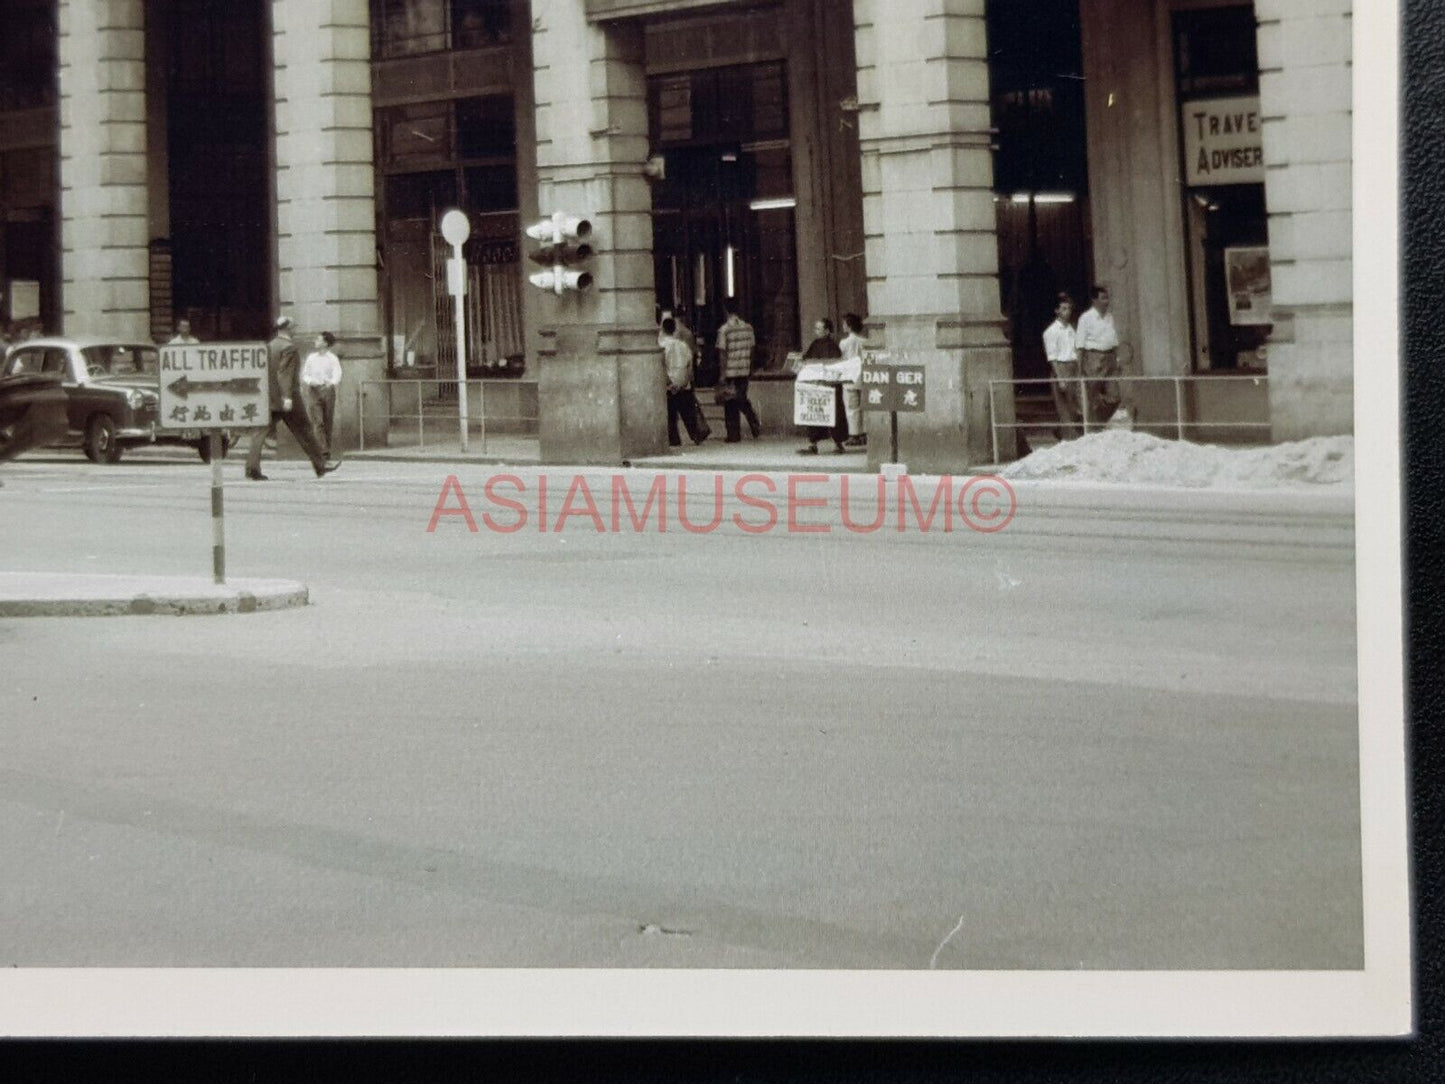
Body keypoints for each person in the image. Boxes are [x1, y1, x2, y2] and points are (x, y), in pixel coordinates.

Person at [245, 316, 340, 481]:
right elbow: (285, 374)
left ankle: (252, 468)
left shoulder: (269, 346)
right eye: (293, 327)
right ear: (287, 329)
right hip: (288, 398)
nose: (296, 329)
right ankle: (321, 465)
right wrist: (287, 397)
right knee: (305, 430)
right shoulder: (289, 348)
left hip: (270, 396)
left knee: (260, 431)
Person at [797, 318, 847, 455]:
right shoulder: (815, 344)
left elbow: (835, 364)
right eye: (816, 328)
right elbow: (808, 358)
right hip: (816, 384)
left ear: (827, 331)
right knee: (814, 413)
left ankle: (838, 443)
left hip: (829, 385)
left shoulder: (833, 346)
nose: (816, 331)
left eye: (819, 329)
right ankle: (813, 443)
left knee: (834, 413)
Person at [715, 298, 761, 443]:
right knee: (741, 397)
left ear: (725, 310)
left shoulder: (724, 330)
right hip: (744, 369)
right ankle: (752, 419)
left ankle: (734, 434)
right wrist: (749, 366)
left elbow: (722, 353)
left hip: (730, 371)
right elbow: (752, 348)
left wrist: (722, 374)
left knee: (730, 404)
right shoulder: (748, 328)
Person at [1076, 285, 1122, 427]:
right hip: (1093, 358)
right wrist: (1080, 367)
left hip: (1110, 358)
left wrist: (1117, 360)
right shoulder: (1086, 318)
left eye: (1107, 298)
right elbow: (1080, 345)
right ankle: (1086, 427)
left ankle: (1096, 423)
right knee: (1091, 395)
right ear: (1094, 300)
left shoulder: (1109, 317)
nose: (1106, 301)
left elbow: (1114, 341)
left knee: (1115, 397)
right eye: (1103, 298)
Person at [661, 318, 707, 447]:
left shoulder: (662, 346)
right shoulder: (683, 345)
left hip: (669, 385)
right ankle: (696, 434)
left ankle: (674, 439)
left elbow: (662, 366)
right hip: (683, 383)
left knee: (671, 416)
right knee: (688, 412)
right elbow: (689, 365)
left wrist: (669, 382)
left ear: (663, 330)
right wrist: (685, 380)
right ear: (674, 329)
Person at [1042, 293, 1081, 439]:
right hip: (1061, 368)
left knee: (1074, 406)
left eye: (1069, 308)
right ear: (1057, 311)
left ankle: (1062, 431)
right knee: (1064, 406)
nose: (1067, 312)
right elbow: (1052, 358)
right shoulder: (1051, 332)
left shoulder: (1071, 329)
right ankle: (1070, 438)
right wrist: (1060, 379)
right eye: (1064, 309)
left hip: (1073, 367)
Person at [300, 331, 343, 458]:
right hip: (313, 390)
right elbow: (305, 374)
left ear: (325, 343)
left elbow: (337, 373)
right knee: (317, 421)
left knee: (327, 421)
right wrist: (310, 381)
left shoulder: (332, 359)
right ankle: (323, 451)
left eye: (318, 340)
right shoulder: (311, 358)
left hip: (327, 389)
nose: (316, 341)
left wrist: (331, 383)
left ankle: (326, 449)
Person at [839, 312, 868, 447]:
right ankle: (864, 433)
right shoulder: (864, 341)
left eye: (845, 324)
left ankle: (854, 434)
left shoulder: (844, 343)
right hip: (862, 376)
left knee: (851, 408)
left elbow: (843, 359)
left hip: (850, 376)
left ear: (849, 326)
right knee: (864, 407)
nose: (843, 326)